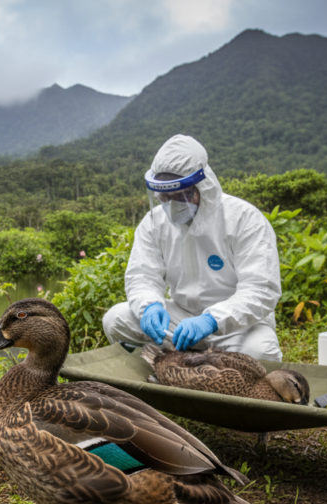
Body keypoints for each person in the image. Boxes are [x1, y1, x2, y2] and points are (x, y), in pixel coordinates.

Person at [102, 134, 283, 361]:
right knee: (116, 319)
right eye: (163, 197)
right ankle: (163, 371)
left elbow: (261, 289)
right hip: (180, 318)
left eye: (178, 196)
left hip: (237, 325)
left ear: (202, 187)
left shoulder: (244, 219)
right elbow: (142, 275)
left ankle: (191, 363)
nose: (170, 204)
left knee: (260, 352)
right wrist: (149, 306)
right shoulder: (154, 223)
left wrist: (211, 320)